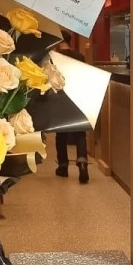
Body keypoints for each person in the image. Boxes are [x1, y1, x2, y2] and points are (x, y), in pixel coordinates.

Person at [52, 31, 91, 183]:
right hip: (77, 97)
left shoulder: (53, 57)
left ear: (58, 42)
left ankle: (63, 166)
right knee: (80, 132)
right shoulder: (79, 56)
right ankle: (82, 161)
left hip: (60, 99)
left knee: (61, 133)